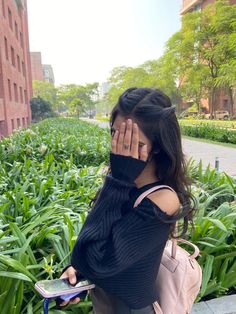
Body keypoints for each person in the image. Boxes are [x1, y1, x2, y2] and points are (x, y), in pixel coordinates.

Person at [59, 87, 196, 313]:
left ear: (158, 147)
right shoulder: (122, 183)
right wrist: (78, 274)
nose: (122, 149)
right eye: (116, 136)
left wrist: (119, 179)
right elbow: (94, 250)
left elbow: (97, 261)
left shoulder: (163, 198)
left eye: (135, 143)